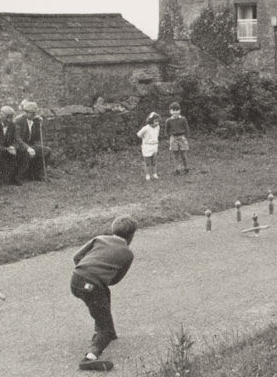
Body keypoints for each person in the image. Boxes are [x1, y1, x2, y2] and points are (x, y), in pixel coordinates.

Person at [71, 215, 137, 366]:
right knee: (103, 329)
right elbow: (115, 280)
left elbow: (76, 257)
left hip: (75, 279)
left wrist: (88, 271)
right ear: (132, 236)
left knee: (103, 295)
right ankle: (90, 356)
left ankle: (110, 331)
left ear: (112, 229)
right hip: (92, 287)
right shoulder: (127, 253)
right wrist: (100, 276)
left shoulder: (99, 239)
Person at [0, 106, 25, 187]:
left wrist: (13, 147)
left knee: (22, 151)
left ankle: (15, 177)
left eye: (11, 117)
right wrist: (6, 149)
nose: (9, 120)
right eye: (7, 117)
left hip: (7, 148)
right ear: (1, 115)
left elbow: (16, 139)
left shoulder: (12, 125)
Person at [13, 101, 52, 182]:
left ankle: (36, 174)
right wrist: (28, 148)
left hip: (30, 145)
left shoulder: (34, 120)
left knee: (46, 150)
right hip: (18, 146)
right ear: (26, 112)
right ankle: (18, 177)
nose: (34, 115)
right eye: (32, 113)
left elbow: (37, 138)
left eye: (35, 113)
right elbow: (17, 137)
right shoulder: (18, 120)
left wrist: (38, 124)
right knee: (26, 152)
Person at [164, 102, 190, 175]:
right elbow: (166, 130)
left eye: (177, 110)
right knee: (175, 155)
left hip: (182, 137)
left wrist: (186, 137)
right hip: (173, 138)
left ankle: (186, 168)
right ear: (170, 111)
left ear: (180, 110)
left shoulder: (183, 119)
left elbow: (187, 128)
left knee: (183, 154)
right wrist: (170, 137)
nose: (175, 112)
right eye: (173, 110)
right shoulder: (168, 120)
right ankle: (177, 170)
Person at [136, 112, 161, 181]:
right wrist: (145, 139)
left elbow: (157, 135)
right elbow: (139, 134)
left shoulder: (158, 127)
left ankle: (155, 174)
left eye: (158, 121)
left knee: (154, 161)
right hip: (147, 146)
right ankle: (147, 175)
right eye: (155, 121)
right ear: (151, 121)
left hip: (155, 146)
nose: (157, 123)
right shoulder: (146, 128)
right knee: (147, 162)